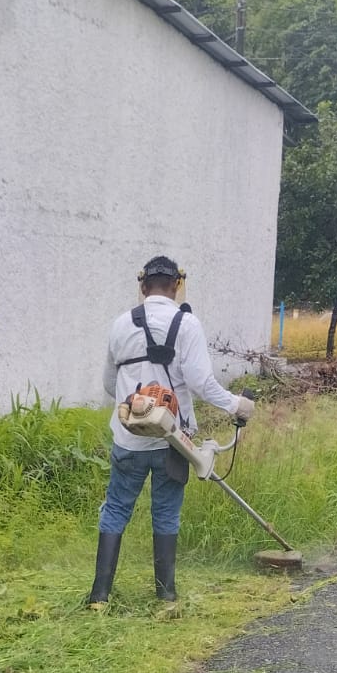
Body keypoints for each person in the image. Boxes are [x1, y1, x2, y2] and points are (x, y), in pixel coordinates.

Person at [88, 255, 254, 607]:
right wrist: (235, 404)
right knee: (165, 513)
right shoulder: (187, 324)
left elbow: (109, 384)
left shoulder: (121, 324)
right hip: (171, 442)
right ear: (177, 285)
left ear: (143, 286)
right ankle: (165, 597)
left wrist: (137, 400)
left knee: (116, 509)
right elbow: (200, 382)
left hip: (129, 439)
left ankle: (99, 597)